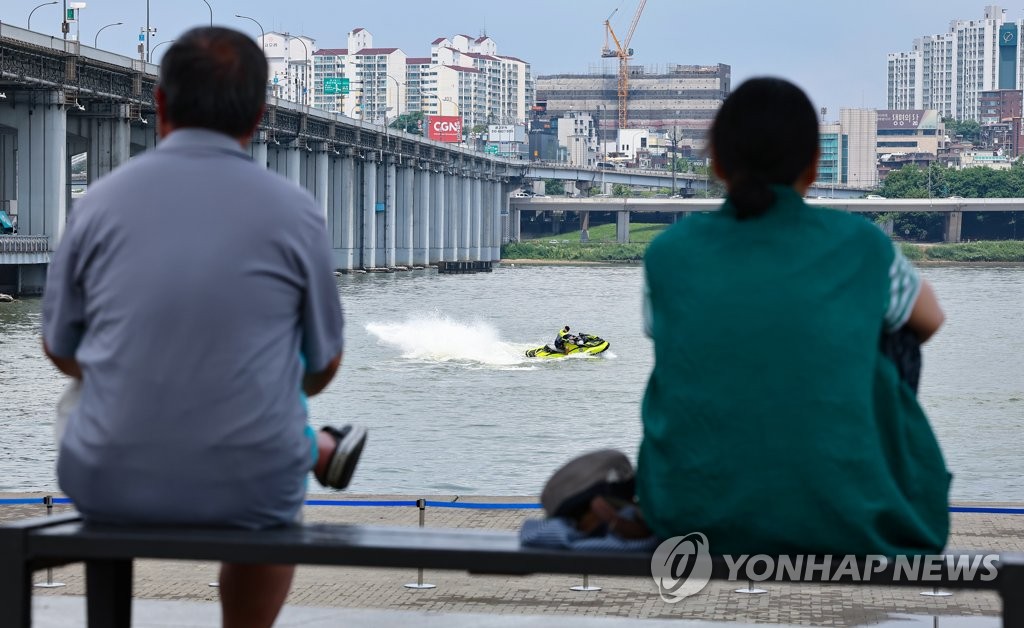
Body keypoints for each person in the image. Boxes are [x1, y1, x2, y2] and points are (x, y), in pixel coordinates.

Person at [41, 27, 364, 628]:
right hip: (253, 485)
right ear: (261, 116)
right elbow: (322, 366)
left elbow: (60, 350)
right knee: (274, 402)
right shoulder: (296, 212)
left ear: (159, 104)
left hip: (108, 480)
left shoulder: (95, 205)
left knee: (91, 387)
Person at [633, 77, 950, 556]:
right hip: (854, 516)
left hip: (687, 512)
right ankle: (874, 470)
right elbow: (928, 321)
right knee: (894, 330)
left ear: (716, 161)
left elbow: (668, 336)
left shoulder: (669, 253)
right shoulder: (861, 245)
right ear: (814, 165)